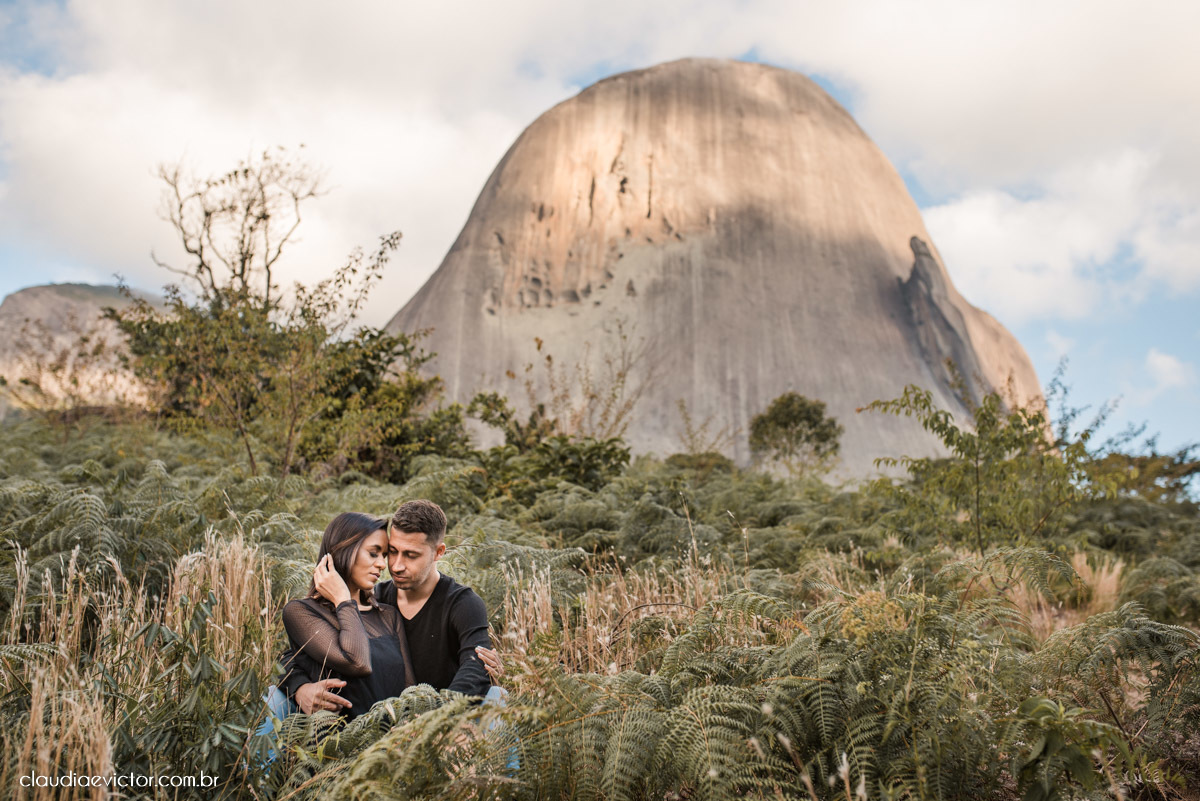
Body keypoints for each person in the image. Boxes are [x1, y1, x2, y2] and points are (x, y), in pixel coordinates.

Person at [278, 499, 503, 715]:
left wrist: (436, 719)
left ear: (438, 552)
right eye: (392, 552)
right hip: (375, 717)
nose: (395, 565)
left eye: (411, 555)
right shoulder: (378, 598)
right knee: (275, 698)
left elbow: (476, 667)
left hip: (438, 708)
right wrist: (299, 688)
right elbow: (295, 654)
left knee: (498, 696)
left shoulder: (461, 603)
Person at [278, 512, 416, 720]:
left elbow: (410, 689)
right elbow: (358, 662)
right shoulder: (302, 612)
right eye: (373, 553)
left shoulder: (388, 615)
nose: (381, 564)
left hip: (394, 743)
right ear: (344, 550)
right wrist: (343, 599)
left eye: (384, 556)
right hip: (339, 745)